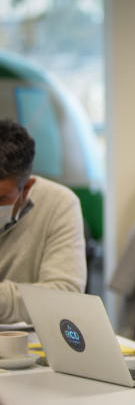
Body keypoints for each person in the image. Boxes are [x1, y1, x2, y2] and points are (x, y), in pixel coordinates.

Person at [0, 119, 86, 324]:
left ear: (27, 188)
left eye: (1, 198)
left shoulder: (59, 204)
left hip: (26, 339)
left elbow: (65, 296)